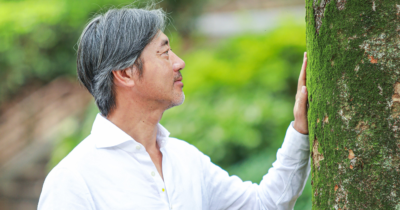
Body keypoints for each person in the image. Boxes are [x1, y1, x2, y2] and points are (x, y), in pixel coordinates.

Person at [38, 6, 310, 210]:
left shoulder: (186, 160)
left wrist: (300, 129)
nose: (179, 62)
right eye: (164, 52)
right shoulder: (73, 180)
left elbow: (264, 204)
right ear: (124, 74)